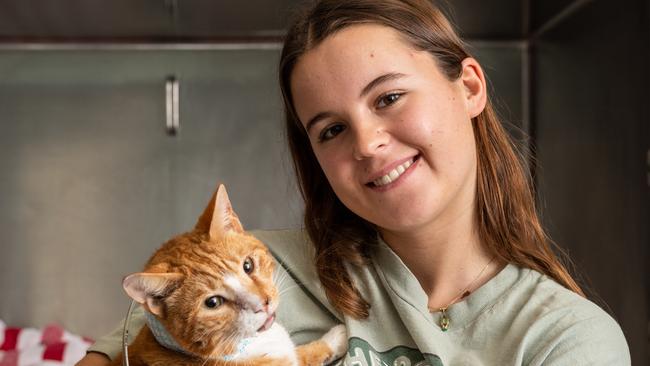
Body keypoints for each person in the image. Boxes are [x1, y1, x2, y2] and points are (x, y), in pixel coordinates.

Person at [76, 0, 630, 365]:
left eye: (389, 97)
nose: (365, 144)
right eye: (332, 129)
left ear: (468, 87)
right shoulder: (266, 265)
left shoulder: (569, 340)